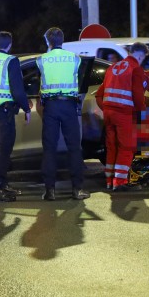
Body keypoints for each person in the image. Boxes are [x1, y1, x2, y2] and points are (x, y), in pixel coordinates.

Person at [36, 27, 89, 201]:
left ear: (47, 41)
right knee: (74, 148)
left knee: (49, 149)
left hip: (50, 106)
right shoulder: (74, 59)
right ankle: (77, 189)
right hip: (69, 106)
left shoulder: (42, 60)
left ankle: (50, 191)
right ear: (63, 40)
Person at [0, 31, 31, 202]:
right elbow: (17, 90)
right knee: (5, 147)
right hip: (4, 109)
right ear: (9, 45)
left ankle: (1, 184)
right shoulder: (10, 61)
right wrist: (26, 107)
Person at [95, 43, 148, 191]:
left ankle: (109, 181)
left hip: (109, 114)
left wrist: (106, 108)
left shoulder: (113, 67)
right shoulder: (136, 69)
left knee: (112, 147)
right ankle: (120, 182)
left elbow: (99, 94)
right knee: (126, 147)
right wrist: (142, 115)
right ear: (140, 55)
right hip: (123, 114)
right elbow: (138, 97)